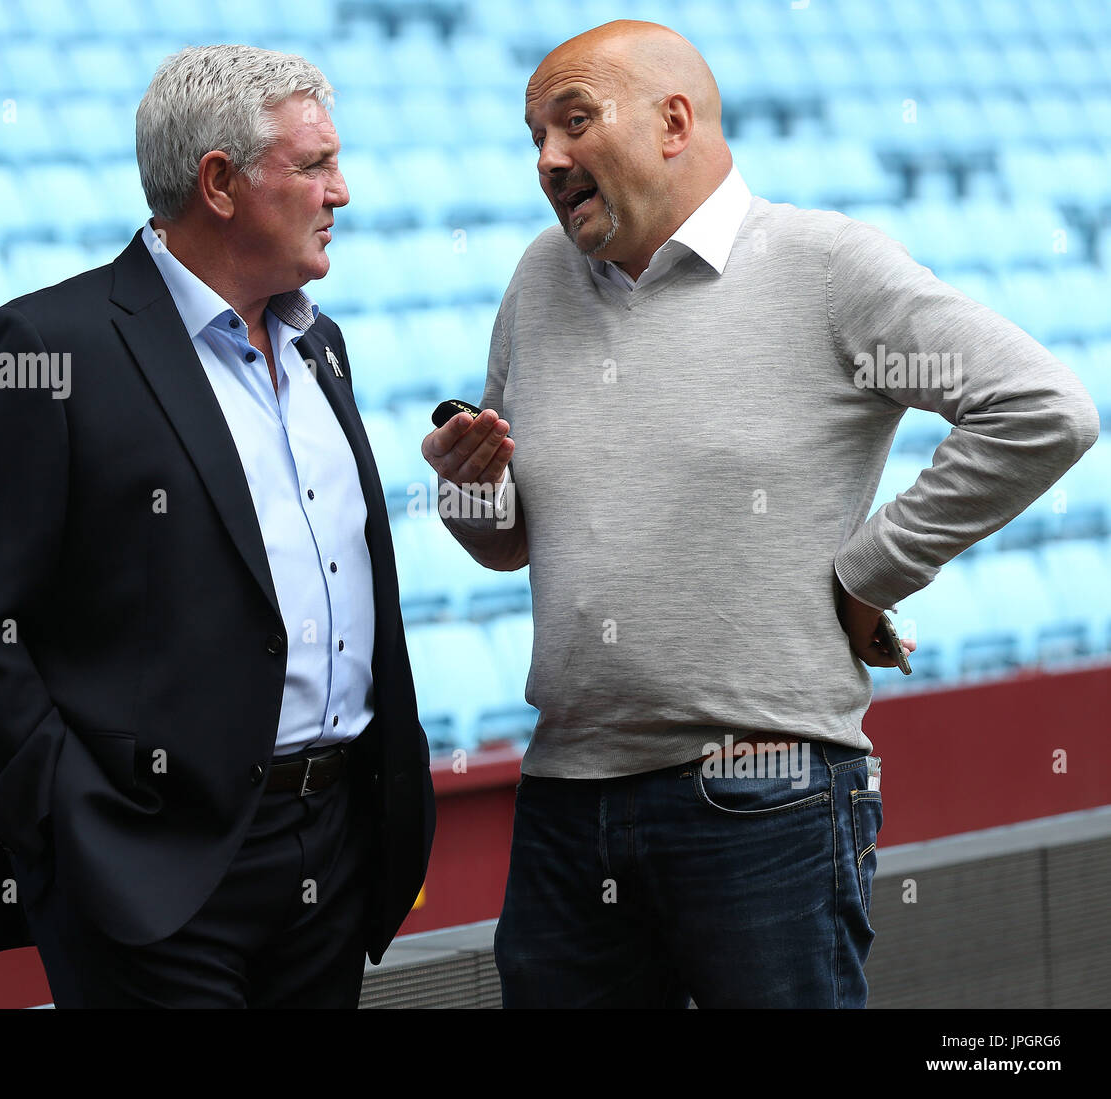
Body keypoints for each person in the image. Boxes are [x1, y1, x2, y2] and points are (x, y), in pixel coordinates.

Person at [421, 20, 1099, 1008]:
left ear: (673, 122)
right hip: (567, 795)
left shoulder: (826, 266)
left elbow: (1044, 410)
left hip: (762, 792)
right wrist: (467, 485)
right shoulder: (537, 281)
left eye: (571, 123)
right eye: (534, 138)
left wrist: (868, 574)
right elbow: (511, 540)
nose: (547, 160)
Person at [0, 44, 434, 1008]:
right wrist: (77, 832)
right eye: (314, 165)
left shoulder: (322, 343)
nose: (343, 191)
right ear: (221, 183)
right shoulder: (40, 348)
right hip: (150, 875)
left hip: (334, 858)